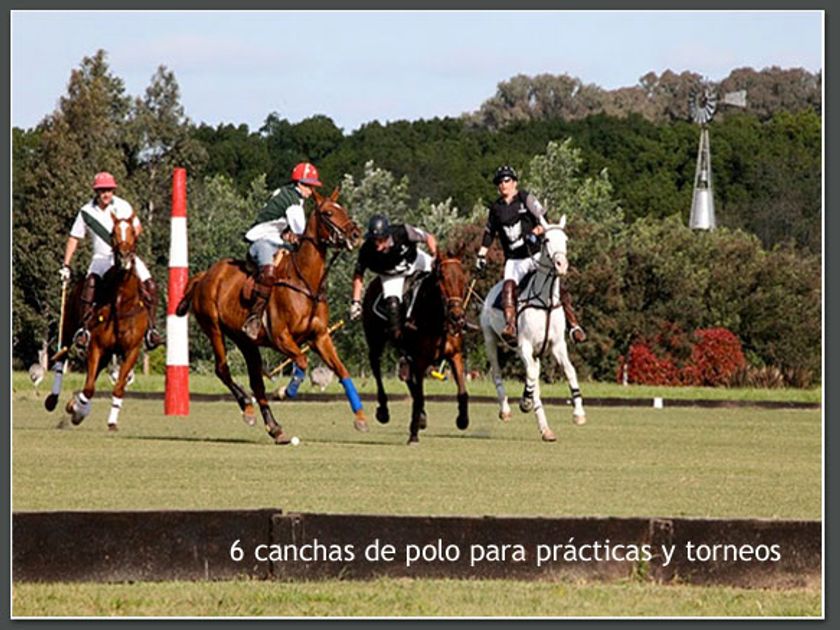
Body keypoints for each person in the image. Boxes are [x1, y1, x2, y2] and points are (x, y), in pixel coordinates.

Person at [475, 164, 586, 345]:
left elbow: (544, 222)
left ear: (514, 182)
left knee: (555, 285)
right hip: (514, 259)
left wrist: (534, 233)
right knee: (508, 287)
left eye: (507, 180)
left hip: (534, 255)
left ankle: (573, 326)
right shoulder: (496, 208)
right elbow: (489, 233)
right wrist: (481, 254)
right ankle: (510, 326)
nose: (503, 184)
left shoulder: (526, 198)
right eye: (499, 182)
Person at [60, 171, 163, 351]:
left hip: (126, 255)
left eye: (109, 190)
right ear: (96, 191)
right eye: (102, 191)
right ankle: (84, 330)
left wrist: (126, 241)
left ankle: (151, 329)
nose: (106, 194)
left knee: (151, 285)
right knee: (90, 285)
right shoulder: (86, 212)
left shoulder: (123, 206)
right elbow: (74, 238)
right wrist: (66, 265)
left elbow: (138, 228)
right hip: (101, 257)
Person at [241, 161, 321, 340]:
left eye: (313, 186)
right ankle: (254, 318)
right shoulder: (293, 202)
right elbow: (301, 230)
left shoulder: (287, 192)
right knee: (269, 273)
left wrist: (287, 234)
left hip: (276, 239)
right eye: (309, 186)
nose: (311, 191)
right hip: (262, 240)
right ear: (300, 183)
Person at [349, 214, 438, 346]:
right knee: (393, 306)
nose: (377, 246)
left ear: (387, 236)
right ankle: (402, 343)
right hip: (391, 275)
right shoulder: (367, 250)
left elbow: (428, 237)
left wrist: (435, 255)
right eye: (374, 241)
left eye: (380, 240)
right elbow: (358, 275)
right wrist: (356, 301)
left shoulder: (403, 232)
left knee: (443, 276)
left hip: (415, 261)